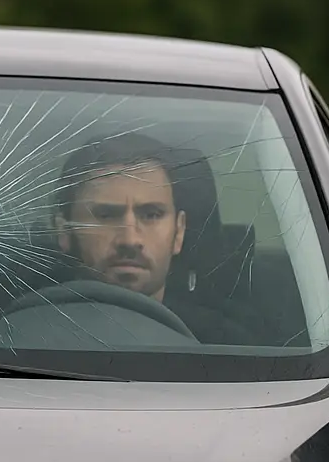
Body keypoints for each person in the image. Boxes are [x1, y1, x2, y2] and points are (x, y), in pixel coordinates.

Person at [51, 133, 261, 344]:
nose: (130, 240)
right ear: (64, 231)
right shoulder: (20, 336)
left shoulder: (229, 350)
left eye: (151, 215)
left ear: (179, 231)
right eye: (106, 215)